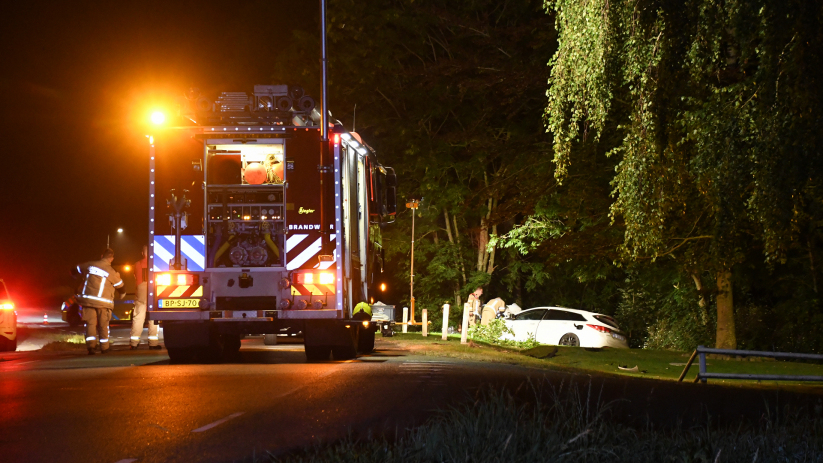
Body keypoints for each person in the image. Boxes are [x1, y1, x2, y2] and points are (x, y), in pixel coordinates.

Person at [75, 248, 125, 355]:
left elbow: (76, 269)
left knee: (90, 324)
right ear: (111, 259)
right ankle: (104, 348)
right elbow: (120, 286)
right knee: (103, 325)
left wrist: (75, 277)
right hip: (103, 303)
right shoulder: (111, 271)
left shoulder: (90, 265)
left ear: (102, 255)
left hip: (88, 301)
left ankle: (91, 347)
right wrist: (122, 294)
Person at [130, 245, 161, 350]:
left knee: (138, 317)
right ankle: (153, 344)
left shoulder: (137, 264)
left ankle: (134, 343)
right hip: (154, 289)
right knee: (153, 317)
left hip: (141, 290)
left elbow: (135, 275)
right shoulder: (156, 263)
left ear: (142, 253)